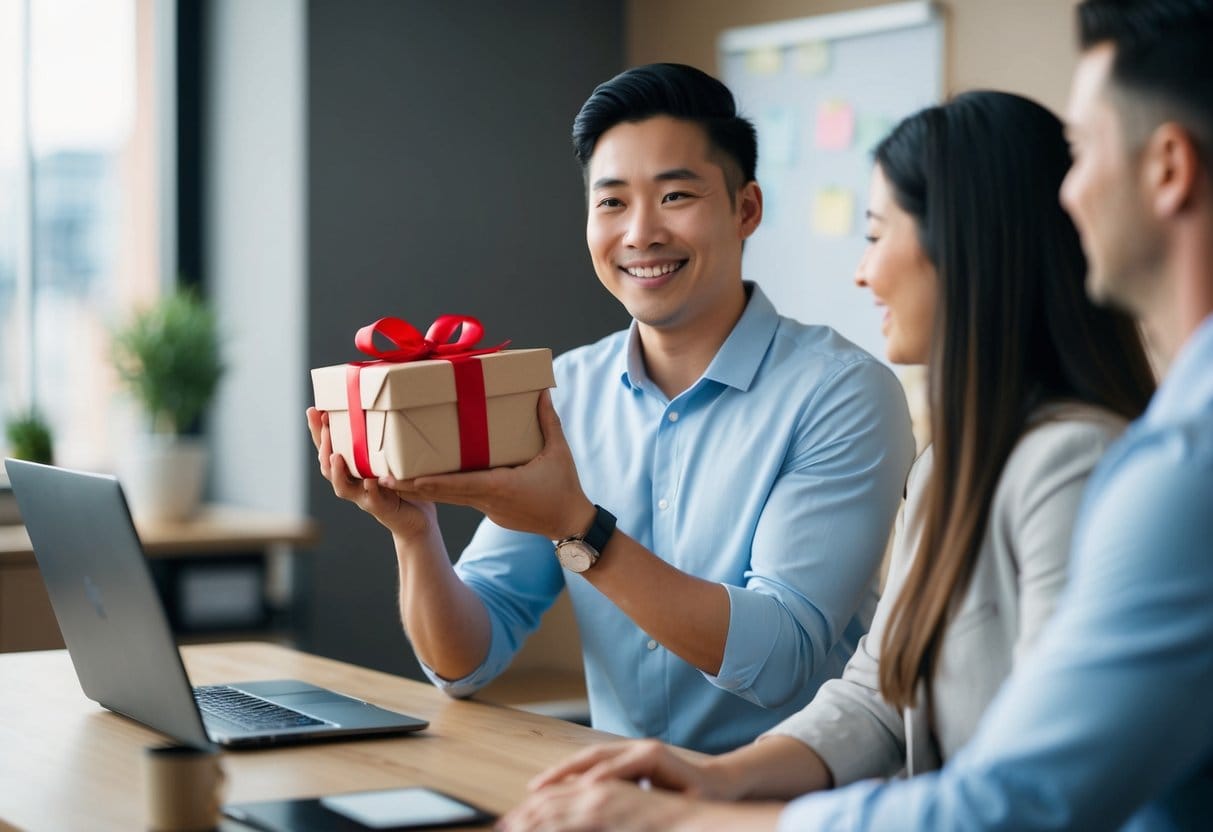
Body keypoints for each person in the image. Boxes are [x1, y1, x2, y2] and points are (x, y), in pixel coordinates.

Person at [498, 1, 1213, 828]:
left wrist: (692, 821)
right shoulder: (951, 467)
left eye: (875, 234)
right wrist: (714, 780)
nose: (860, 274)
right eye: (611, 201)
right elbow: (878, 699)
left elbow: (1028, 801)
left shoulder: (1091, 465)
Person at [308, 63, 916, 754]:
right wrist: (415, 534)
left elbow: (779, 660)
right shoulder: (564, 391)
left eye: (675, 195)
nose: (640, 233)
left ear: (745, 209)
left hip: (789, 806)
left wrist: (578, 528)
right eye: (611, 203)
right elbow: (466, 661)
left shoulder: (842, 393)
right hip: (623, 801)